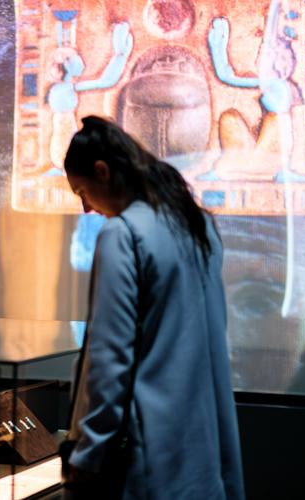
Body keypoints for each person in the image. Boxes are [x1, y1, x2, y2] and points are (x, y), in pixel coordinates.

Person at [62, 116, 244, 499]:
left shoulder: (123, 233)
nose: (86, 208)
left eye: (82, 191)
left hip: (147, 462)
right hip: (200, 454)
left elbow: (111, 358)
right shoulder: (196, 224)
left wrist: (89, 451)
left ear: (103, 171)